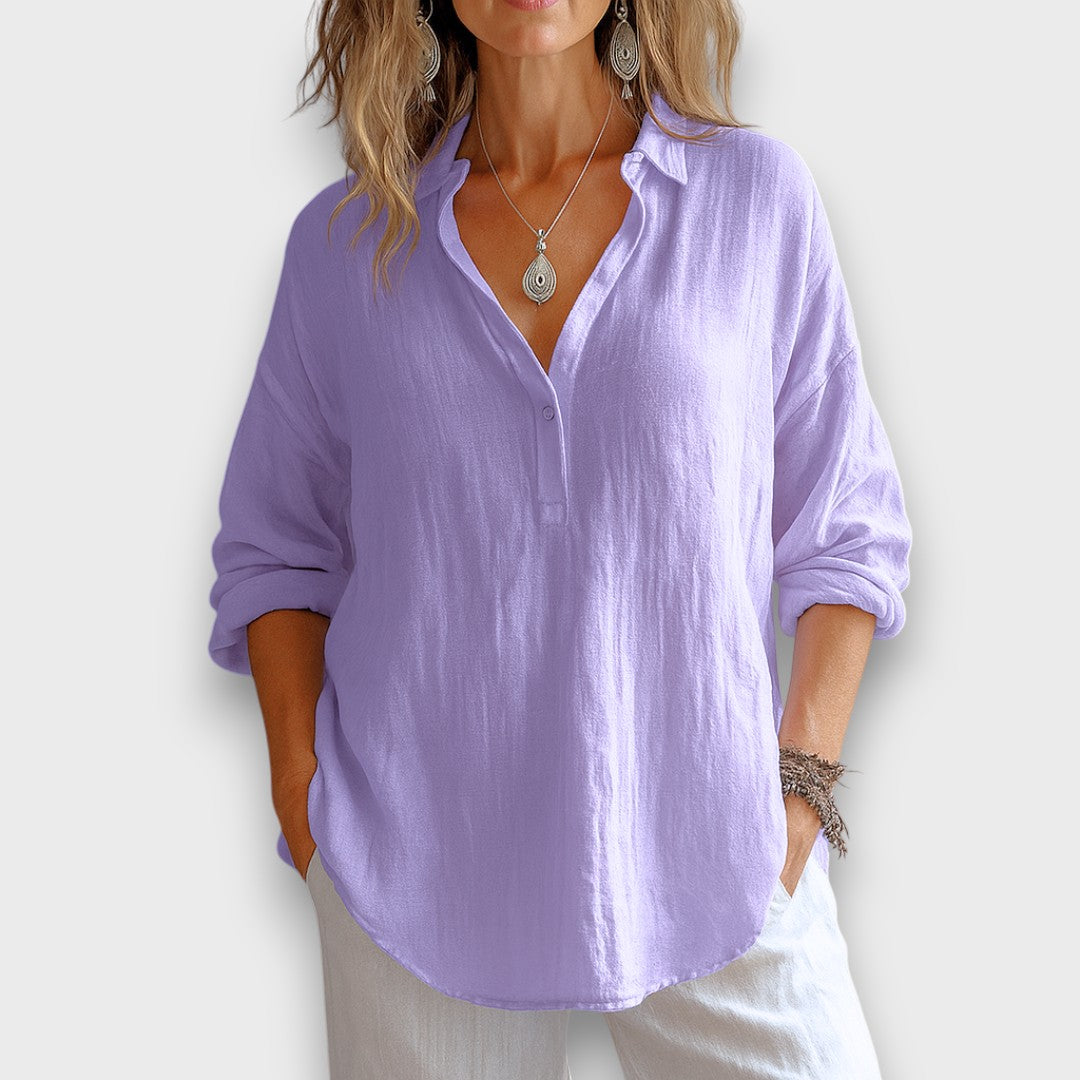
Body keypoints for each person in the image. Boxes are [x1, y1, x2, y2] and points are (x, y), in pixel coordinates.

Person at [207, 1, 912, 1077]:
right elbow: (275, 549)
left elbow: (847, 522)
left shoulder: (753, 201)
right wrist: (306, 804)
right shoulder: (346, 246)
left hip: (716, 852)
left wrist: (797, 795)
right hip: (415, 878)